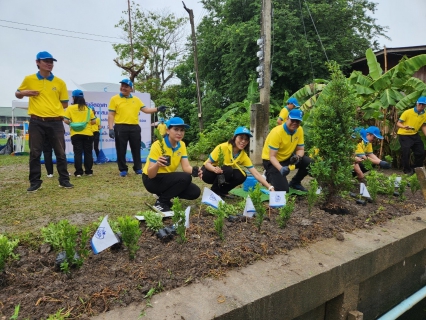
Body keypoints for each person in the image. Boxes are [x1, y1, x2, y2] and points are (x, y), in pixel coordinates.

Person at [16, 51, 73, 192]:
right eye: (46, 61)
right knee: (35, 152)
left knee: (60, 152)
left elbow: (65, 103)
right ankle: (35, 182)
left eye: (51, 61)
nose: (49, 64)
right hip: (36, 122)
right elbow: (17, 93)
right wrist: (24, 93)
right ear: (37, 62)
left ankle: (64, 180)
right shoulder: (29, 79)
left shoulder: (60, 82)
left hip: (55, 122)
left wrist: (51, 106)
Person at [108, 79, 167, 177]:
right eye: (122, 86)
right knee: (121, 149)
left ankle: (138, 168)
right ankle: (123, 169)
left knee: (136, 148)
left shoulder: (136, 100)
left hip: (134, 127)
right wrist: (110, 128)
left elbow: (146, 110)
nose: (123, 88)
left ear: (131, 89)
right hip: (120, 127)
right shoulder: (114, 99)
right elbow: (111, 115)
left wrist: (157, 109)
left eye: (126, 86)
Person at [142, 117, 201, 212]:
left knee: (195, 192)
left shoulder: (181, 145)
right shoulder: (157, 145)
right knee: (185, 177)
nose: (179, 133)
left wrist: (196, 171)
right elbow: (151, 175)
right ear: (168, 130)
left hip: (166, 179)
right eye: (176, 129)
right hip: (151, 180)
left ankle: (162, 194)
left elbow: (186, 167)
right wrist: (157, 164)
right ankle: (161, 202)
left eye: (182, 130)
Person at [201, 126, 274, 197]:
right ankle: (214, 192)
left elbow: (256, 173)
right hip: (208, 173)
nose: (243, 141)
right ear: (234, 137)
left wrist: (269, 187)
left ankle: (222, 191)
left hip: (223, 174)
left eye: (246, 139)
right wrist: (214, 169)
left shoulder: (243, 155)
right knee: (228, 169)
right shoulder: (222, 147)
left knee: (242, 175)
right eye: (241, 138)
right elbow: (207, 164)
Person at [262, 109, 312, 192]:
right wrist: (281, 168)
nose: (295, 123)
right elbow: (272, 156)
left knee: (308, 161)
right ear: (287, 118)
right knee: (283, 190)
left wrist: (297, 157)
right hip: (271, 161)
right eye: (293, 120)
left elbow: (300, 149)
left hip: (287, 157)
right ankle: (268, 174)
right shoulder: (277, 132)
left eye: (298, 121)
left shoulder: (299, 130)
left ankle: (295, 183)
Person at [64, 90, 96, 177]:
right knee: (88, 153)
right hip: (88, 134)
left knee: (77, 153)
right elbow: (94, 121)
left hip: (75, 134)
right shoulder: (89, 109)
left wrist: (72, 124)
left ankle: (78, 172)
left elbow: (66, 120)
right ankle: (88, 171)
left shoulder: (70, 108)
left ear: (73, 98)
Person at [396, 96, 426, 175]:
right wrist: (404, 127)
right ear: (417, 104)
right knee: (406, 152)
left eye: (423, 105)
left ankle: (416, 169)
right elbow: (398, 123)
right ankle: (407, 170)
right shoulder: (407, 112)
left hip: (415, 135)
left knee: (421, 152)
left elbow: (423, 125)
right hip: (404, 135)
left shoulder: (424, 114)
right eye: (420, 104)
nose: (421, 106)